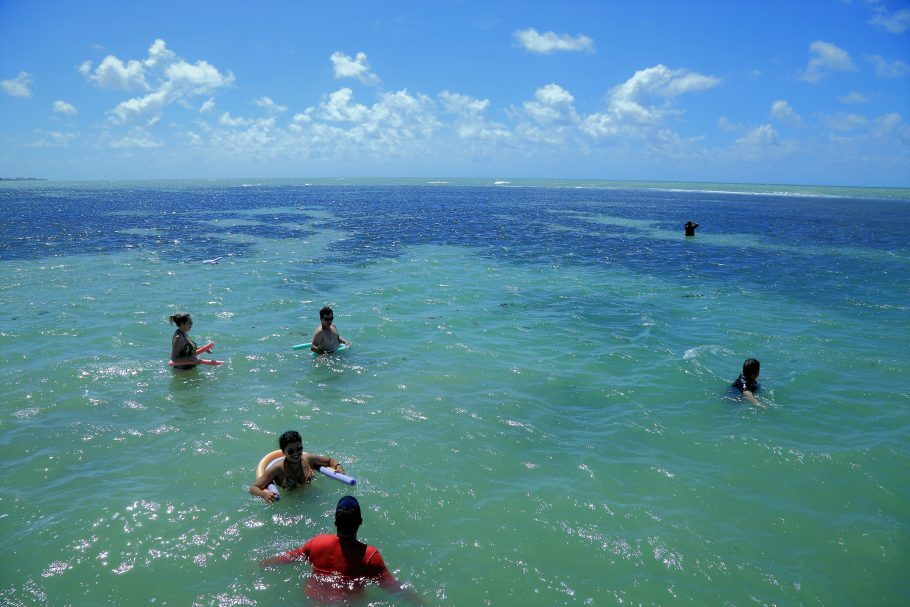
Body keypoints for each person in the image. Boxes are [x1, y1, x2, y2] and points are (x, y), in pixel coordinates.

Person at [261, 496, 422, 604]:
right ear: (360, 522)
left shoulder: (317, 542)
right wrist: (421, 602)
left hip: (313, 600)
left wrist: (262, 564)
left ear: (335, 522)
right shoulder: (369, 556)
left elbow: (288, 558)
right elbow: (393, 588)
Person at [249, 430, 346, 503]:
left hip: (313, 497)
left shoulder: (308, 459)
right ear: (283, 452)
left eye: (299, 448)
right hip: (291, 503)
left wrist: (338, 466)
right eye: (291, 451)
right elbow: (253, 488)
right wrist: (264, 494)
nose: (296, 453)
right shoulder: (277, 469)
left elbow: (330, 460)